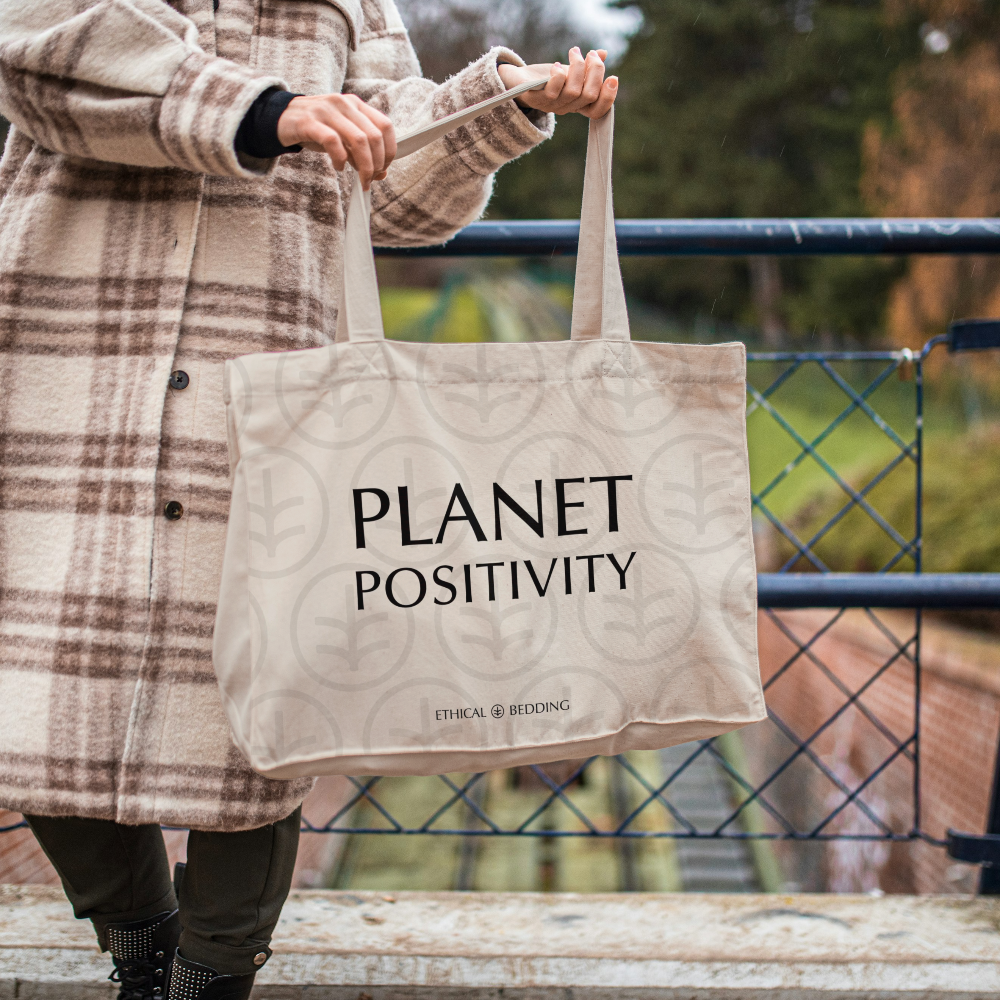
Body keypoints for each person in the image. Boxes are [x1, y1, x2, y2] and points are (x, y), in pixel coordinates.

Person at [0, 1, 617, 998]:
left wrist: (505, 99)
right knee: (36, 698)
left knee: (263, 708)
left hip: (267, 382)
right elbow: (41, 65)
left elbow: (402, 191)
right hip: (70, 373)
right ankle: (139, 936)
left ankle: (208, 978)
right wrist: (268, 109)